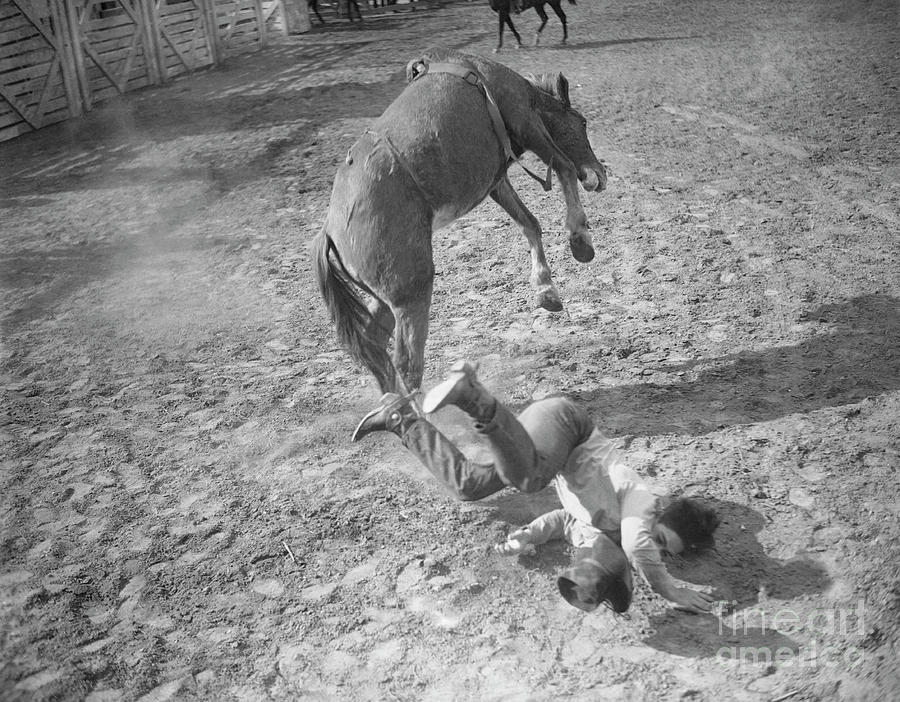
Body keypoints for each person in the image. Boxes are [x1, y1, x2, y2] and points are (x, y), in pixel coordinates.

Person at [353, 361, 720, 614]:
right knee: (529, 479)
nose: (652, 545)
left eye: (664, 551)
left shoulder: (602, 532)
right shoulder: (642, 502)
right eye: (660, 538)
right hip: (564, 425)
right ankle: (473, 396)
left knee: (468, 485)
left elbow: (563, 521)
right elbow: (639, 547)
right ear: (660, 512)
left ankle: (402, 419)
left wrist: (529, 535)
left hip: (540, 452)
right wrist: (671, 589)